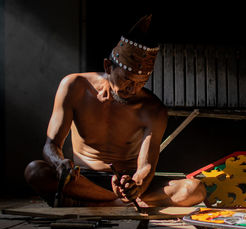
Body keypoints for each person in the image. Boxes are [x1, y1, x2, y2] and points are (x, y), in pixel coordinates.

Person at [24, 14, 206, 207]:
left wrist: (136, 184)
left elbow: (146, 167)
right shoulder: (74, 85)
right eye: (126, 79)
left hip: (127, 183)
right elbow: (50, 145)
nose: (132, 89)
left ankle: (100, 200)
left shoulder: (153, 110)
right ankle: (115, 201)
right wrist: (59, 163)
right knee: (35, 171)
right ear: (108, 66)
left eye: (141, 83)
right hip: (84, 180)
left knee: (194, 189)